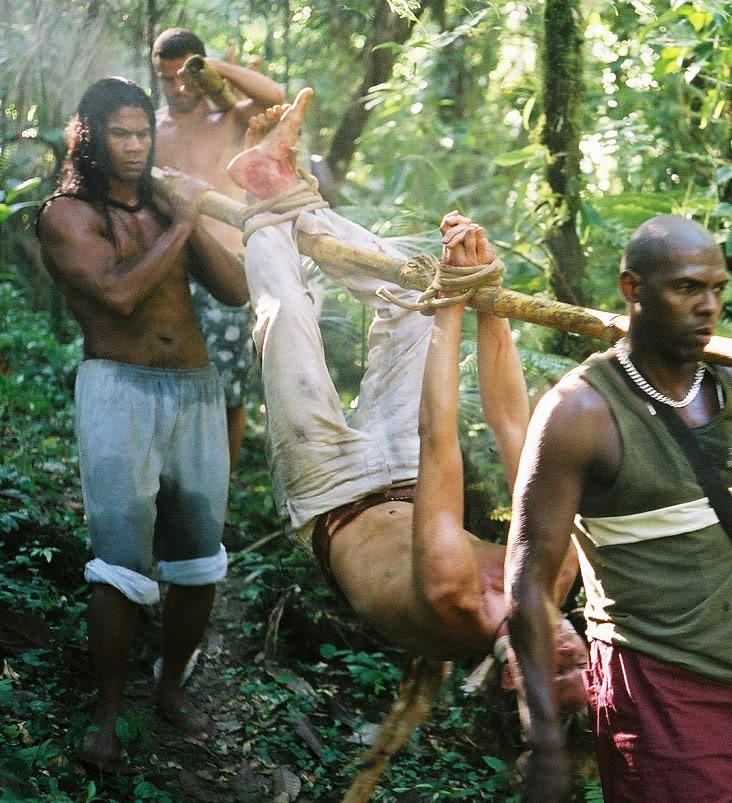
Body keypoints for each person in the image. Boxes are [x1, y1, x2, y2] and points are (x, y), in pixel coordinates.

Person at [224, 89, 587, 701]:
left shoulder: (456, 598)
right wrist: (484, 296)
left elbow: (437, 435)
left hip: (330, 497)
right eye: (585, 671)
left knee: (286, 319)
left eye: (556, 675)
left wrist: (454, 298)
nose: (572, 657)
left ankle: (263, 214)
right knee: (415, 308)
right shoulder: (558, 572)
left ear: (509, 672)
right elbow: (513, 429)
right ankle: (288, 195)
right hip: (404, 475)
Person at [505, 215, 732, 801]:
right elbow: (528, 583)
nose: (708, 306)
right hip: (660, 692)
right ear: (632, 290)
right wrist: (543, 737)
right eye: (686, 288)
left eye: (717, 290)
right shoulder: (579, 414)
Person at [36, 77, 249, 769]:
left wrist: (187, 213)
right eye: (119, 134)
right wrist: (184, 220)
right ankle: (106, 714)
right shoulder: (65, 214)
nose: (134, 146)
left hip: (195, 389)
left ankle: (168, 688)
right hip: (117, 390)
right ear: (89, 136)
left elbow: (234, 289)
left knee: (199, 556)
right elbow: (120, 295)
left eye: (141, 133)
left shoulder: (164, 204)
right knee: (118, 562)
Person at [152, 27, 286, 468]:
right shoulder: (151, 128)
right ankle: (171, 474)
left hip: (227, 269)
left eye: (186, 75)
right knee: (167, 377)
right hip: (169, 265)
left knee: (228, 390)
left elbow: (275, 95)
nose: (177, 87)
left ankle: (219, 494)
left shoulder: (228, 119)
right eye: (166, 77)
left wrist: (217, 71)